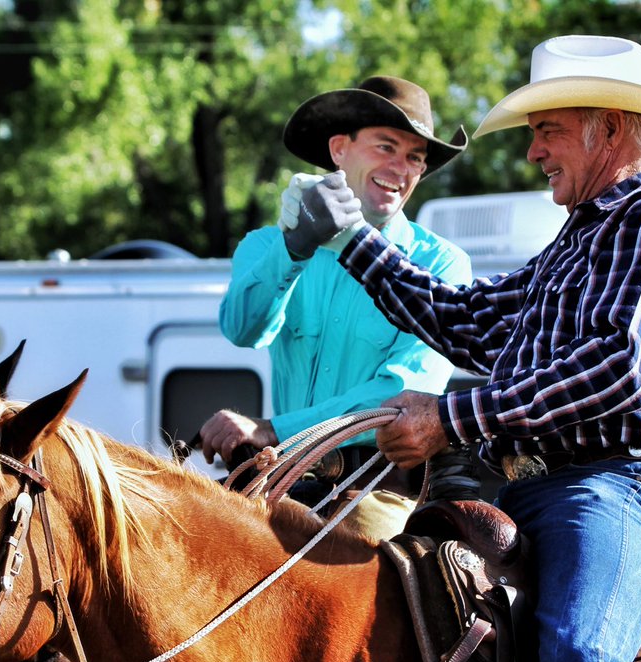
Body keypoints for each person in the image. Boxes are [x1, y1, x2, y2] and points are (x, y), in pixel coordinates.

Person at [285, 35, 641, 662]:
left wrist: (452, 416)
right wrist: (353, 237)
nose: (532, 153)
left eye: (547, 130)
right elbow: (467, 318)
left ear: (610, 130)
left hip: (621, 483)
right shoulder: (580, 241)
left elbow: (619, 368)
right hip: (536, 486)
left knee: (580, 657)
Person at [199, 75, 473, 539]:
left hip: (379, 494)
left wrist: (273, 430)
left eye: (415, 158)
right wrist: (295, 248)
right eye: (386, 147)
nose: (401, 169)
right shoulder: (268, 244)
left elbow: (396, 398)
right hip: (280, 483)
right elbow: (242, 329)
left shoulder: (442, 263)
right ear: (339, 149)